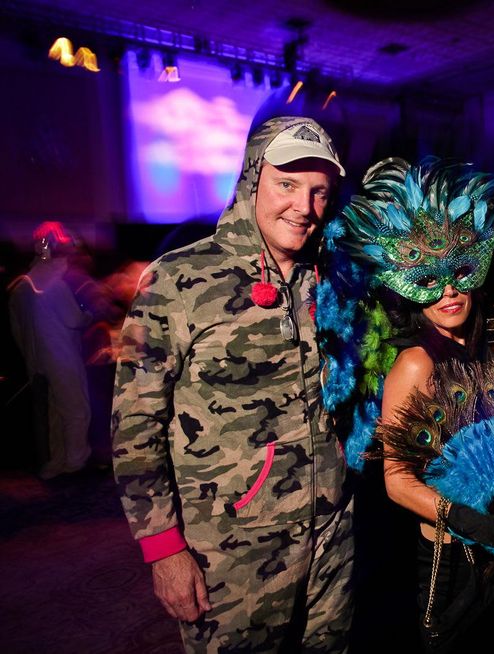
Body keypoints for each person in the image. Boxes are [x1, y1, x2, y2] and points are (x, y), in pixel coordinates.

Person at [112, 116, 355, 652]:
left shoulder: (330, 280)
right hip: (231, 549)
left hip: (330, 534)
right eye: (287, 184)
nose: (304, 207)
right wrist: (162, 549)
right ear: (251, 178)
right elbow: (135, 427)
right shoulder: (176, 279)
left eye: (319, 192)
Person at [343, 157, 494, 652]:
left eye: (460, 273)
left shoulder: (478, 350)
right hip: (450, 562)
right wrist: (485, 527)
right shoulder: (415, 362)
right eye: (430, 279)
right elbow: (397, 482)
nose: (449, 291)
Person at [8, 222, 93, 479]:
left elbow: (17, 330)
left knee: (55, 413)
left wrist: (29, 358)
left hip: (37, 359)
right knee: (76, 410)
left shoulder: (22, 286)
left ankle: (55, 463)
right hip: (62, 356)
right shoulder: (56, 284)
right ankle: (75, 463)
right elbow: (75, 320)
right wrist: (89, 315)